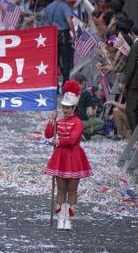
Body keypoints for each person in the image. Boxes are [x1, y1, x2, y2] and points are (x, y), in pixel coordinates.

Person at [44, 80, 93, 230]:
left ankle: (68, 219)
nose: (65, 110)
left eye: (68, 108)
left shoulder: (78, 123)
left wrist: (57, 141)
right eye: (64, 107)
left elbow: (72, 140)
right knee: (60, 189)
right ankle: (61, 218)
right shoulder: (58, 120)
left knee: (72, 189)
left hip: (74, 157)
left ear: (74, 108)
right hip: (60, 158)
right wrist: (52, 120)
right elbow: (47, 134)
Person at [44, 0, 76, 87]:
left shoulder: (48, 7)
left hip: (53, 35)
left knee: (54, 61)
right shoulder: (64, 6)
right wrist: (74, 35)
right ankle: (65, 84)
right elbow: (69, 21)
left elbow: (47, 23)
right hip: (64, 36)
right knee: (66, 61)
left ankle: (55, 85)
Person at [121, 25, 138, 131]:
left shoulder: (136, 45)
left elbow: (131, 65)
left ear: (132, 33)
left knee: (130, 109)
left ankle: (136, 134)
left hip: (135, 82)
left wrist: (124, 82)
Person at [73, 73, 105, 140]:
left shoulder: (69, 92)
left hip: (70, 121)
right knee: (101, 123)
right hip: (81, 121)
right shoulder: (86, 93)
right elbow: (91, 113)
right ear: (83, 82)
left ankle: (78, 132)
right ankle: (84, 133)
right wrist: (95, 110)